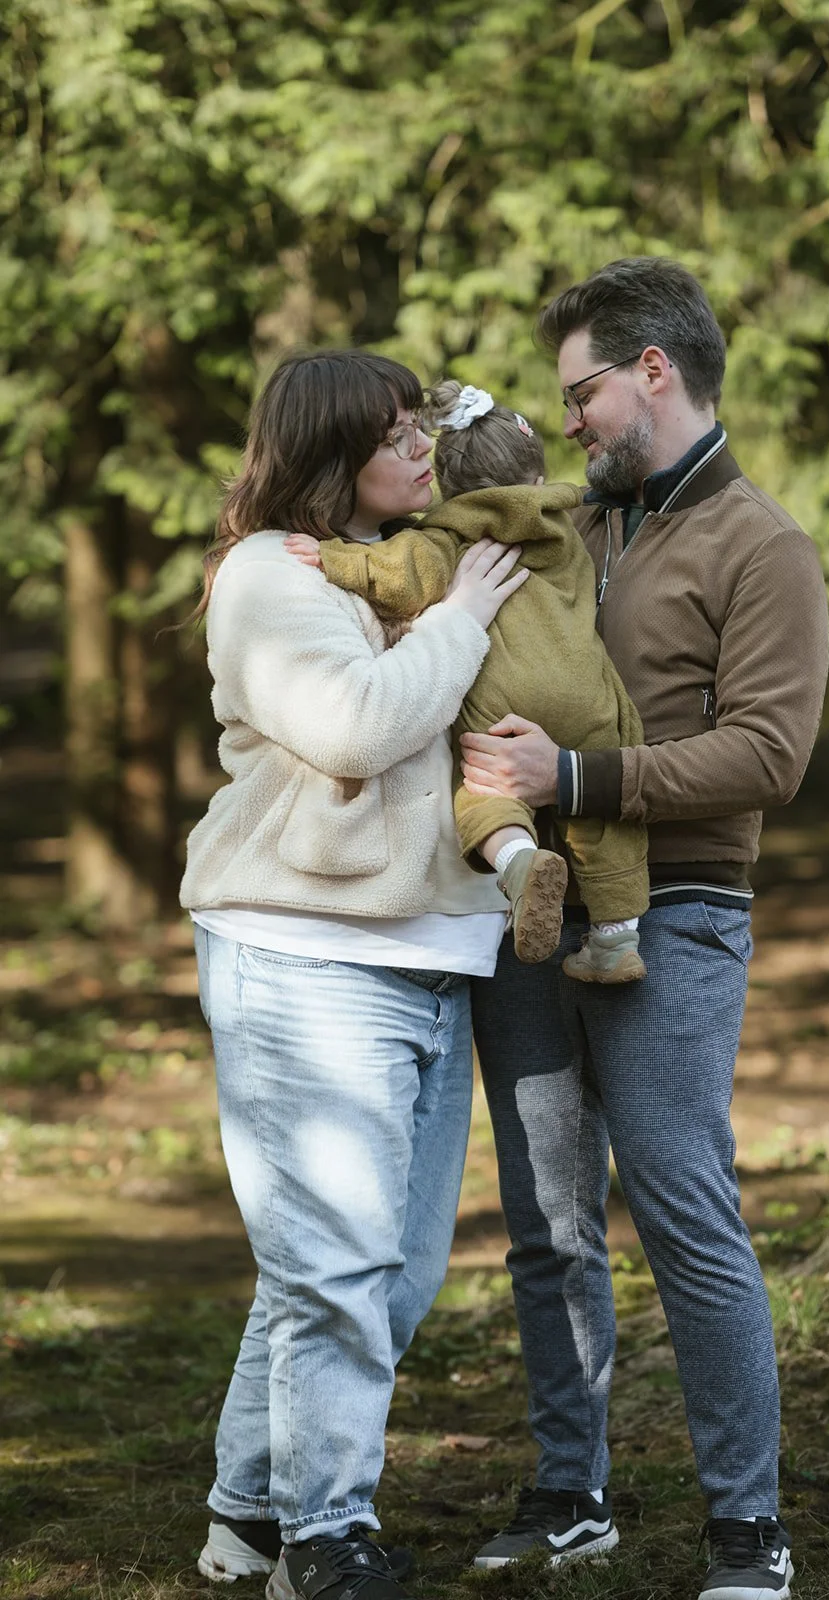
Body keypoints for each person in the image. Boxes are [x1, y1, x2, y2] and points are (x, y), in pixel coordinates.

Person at [460, 259, 829, 1600]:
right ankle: (571, 1496)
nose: (565, 421)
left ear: (651, 373)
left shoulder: (763, 548)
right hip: (529, 909)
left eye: (581, 392)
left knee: (681, 1205)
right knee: (547, 1221)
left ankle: (748, 1531)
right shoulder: (570, 524)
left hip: (676, 914)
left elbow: (768, 757)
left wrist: (578, 780)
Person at [178, 348, 529, 1600]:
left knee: (388, 1271)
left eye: (420, 426)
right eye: (391, 434)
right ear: (327, 449)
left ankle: (246, 1516)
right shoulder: (273, 571)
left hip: (434, 951)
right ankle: (326, 1540)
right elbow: (354, 724)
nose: (421, 448)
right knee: (333, 1267)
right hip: (304, 950)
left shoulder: (412, 559)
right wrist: (461, 621)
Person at [284, 378, 650, 984]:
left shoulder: (452, 534)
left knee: (485, 785)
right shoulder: (567, 531)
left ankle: (518, 861)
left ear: (450, 486)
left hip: (506, 699)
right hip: (588, 692)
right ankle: (617, 940)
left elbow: (406, 575)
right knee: (601, 817)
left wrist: (331, 558)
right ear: (535, 479)